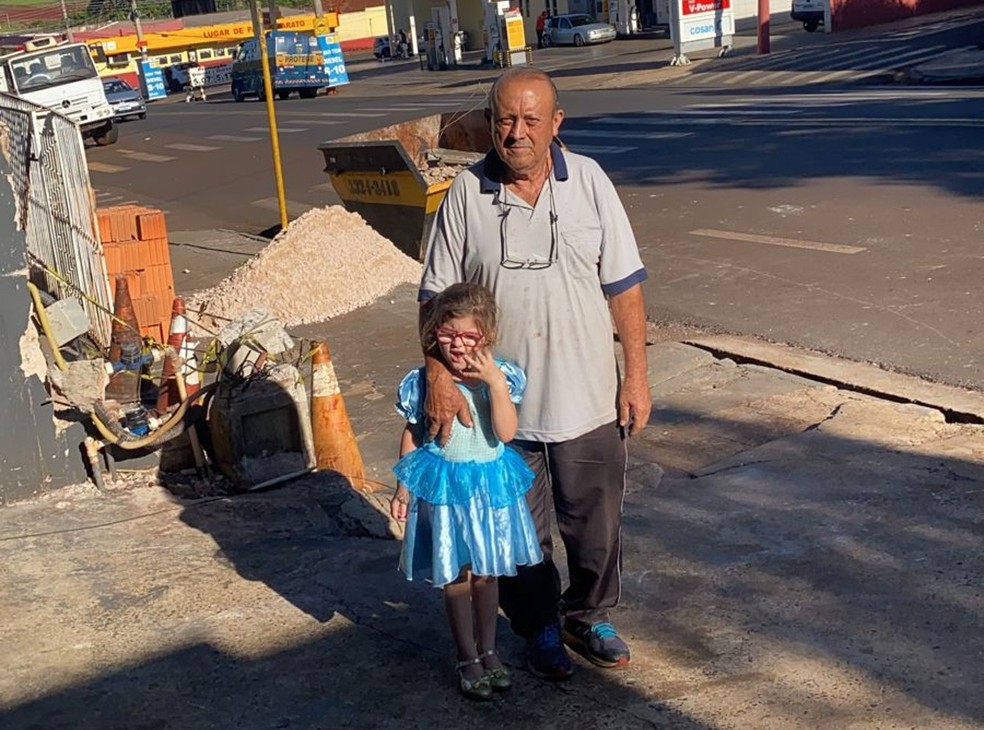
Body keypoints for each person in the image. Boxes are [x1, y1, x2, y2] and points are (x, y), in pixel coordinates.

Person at [418, 67, 651, 680]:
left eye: (529, 120)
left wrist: (636, 376)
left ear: (555, 123)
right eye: (503, 120)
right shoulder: (467, 194)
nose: (515, 133)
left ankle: (590, 614)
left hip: (589, 394)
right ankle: (540, 624)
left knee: (596, 524)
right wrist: (439, 375)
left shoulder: (591, 183)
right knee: (520, 533)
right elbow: (434, 297)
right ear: (489, 124)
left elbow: (625, 289)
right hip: (498, 408)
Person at [390, 282, 543, 701]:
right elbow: (413, 433)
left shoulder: (503, 376)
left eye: (468, 336)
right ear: (433, 331)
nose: (456, 345)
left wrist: (493, 382)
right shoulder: (422, 382)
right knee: (456, 575)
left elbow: (507, 432)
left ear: (487, 336)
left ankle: (490, 649)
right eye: (446, 334)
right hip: (447, 491)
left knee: (487, 573)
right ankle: (466, 654)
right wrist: (404, 487)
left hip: (490, 490)